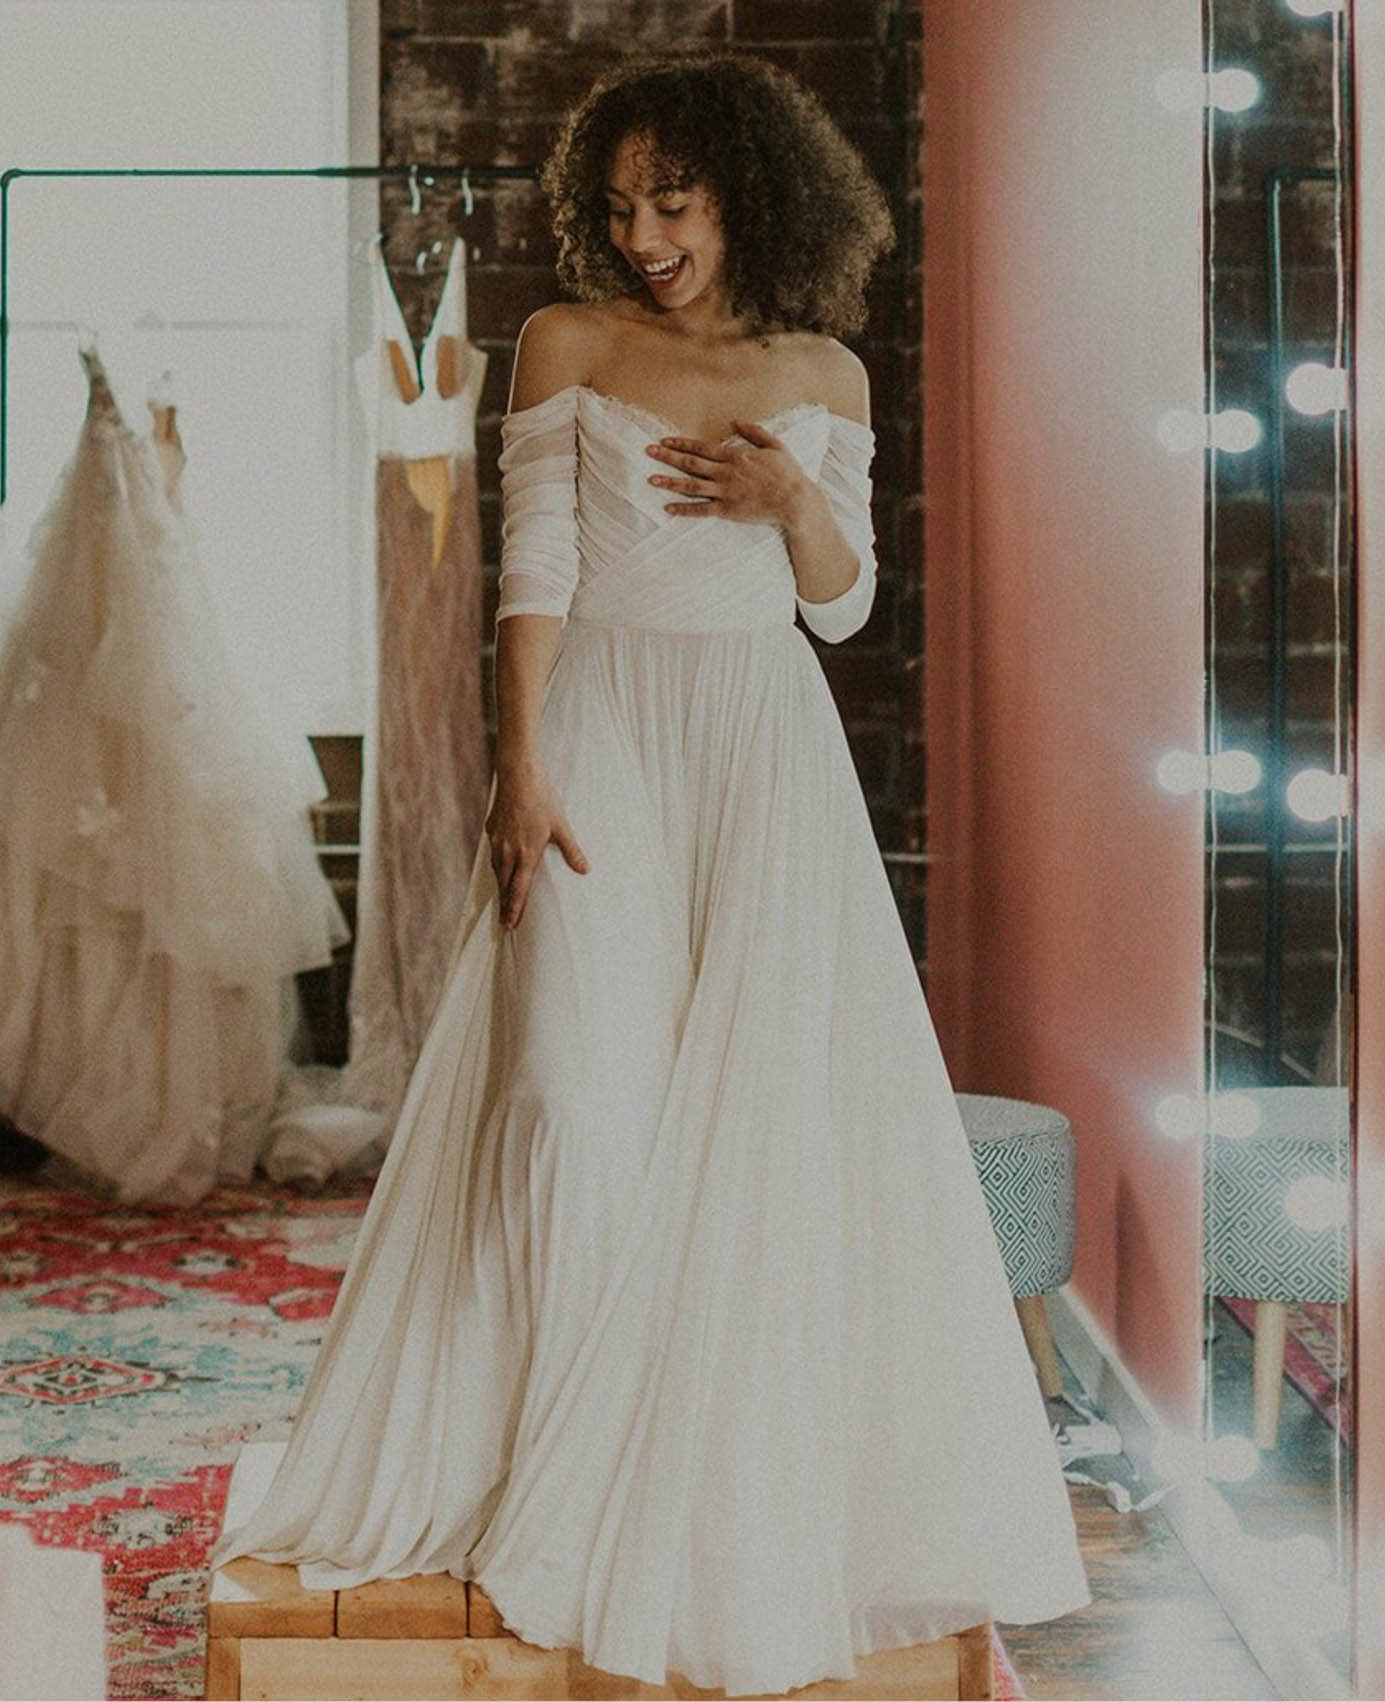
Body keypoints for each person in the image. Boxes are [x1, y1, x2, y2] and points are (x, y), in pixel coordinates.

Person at [210, 52, 1091, 1696]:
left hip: (763, 762)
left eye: (670, 203)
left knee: (751, 1128)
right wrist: (520, 763)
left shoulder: (825, 371)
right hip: (603, 732)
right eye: (617, 208)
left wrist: (786, 500)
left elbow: (845, 604)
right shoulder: (566, 342)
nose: (642, 237)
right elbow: (530, 564)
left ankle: (705, 1475)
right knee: (569, 1099)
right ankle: (551, 1458)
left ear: (747, 193)